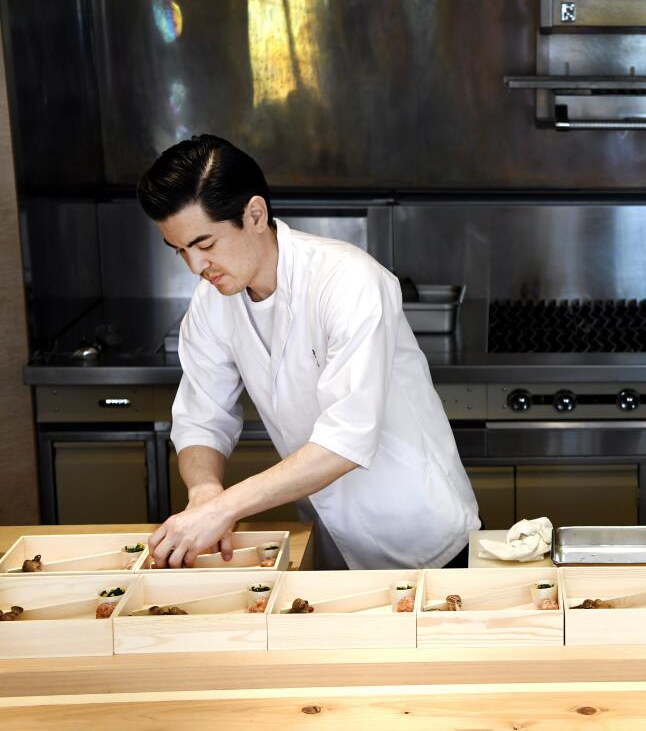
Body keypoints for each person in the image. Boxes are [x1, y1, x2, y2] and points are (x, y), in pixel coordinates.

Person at [137, 134, 479, 569]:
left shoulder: (349, 282)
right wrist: (205, 493)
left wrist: (225, 509)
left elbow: (346, 440)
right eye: (180, 251)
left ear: (255, 215)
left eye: (205, 245)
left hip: (421, 536)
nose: (196, 267)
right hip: (328, 539)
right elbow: (202, 419)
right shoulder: (212, 302)